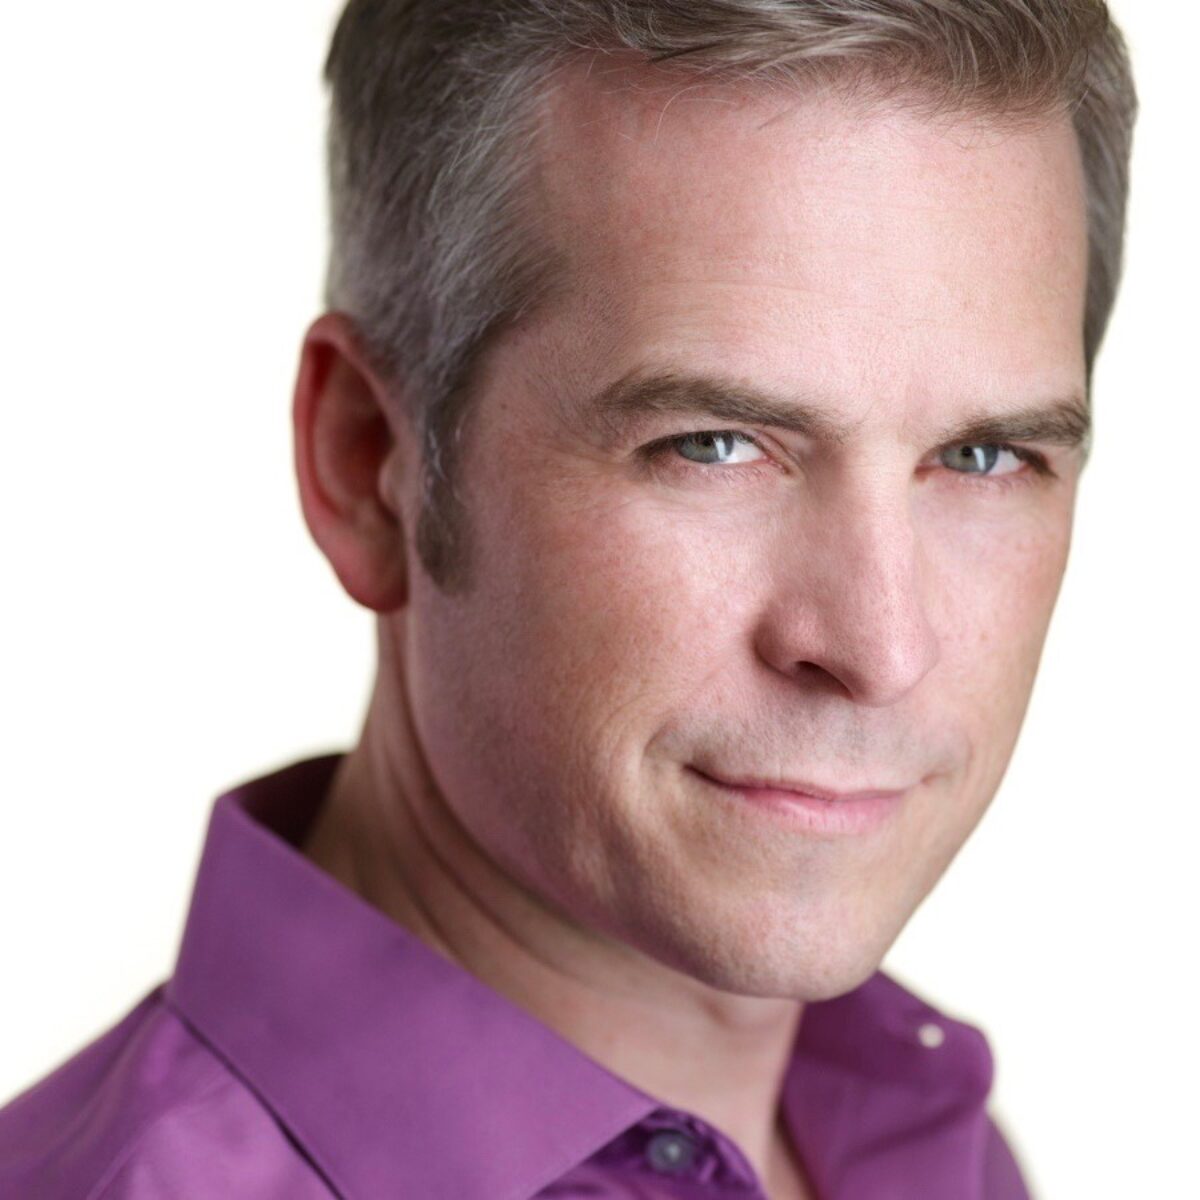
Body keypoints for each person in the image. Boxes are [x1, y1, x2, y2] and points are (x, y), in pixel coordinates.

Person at [0, 2, 1137, 1197]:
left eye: (982, 458)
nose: (880, 645)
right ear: (368, 465)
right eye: (712, 446)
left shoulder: (930, 1147)